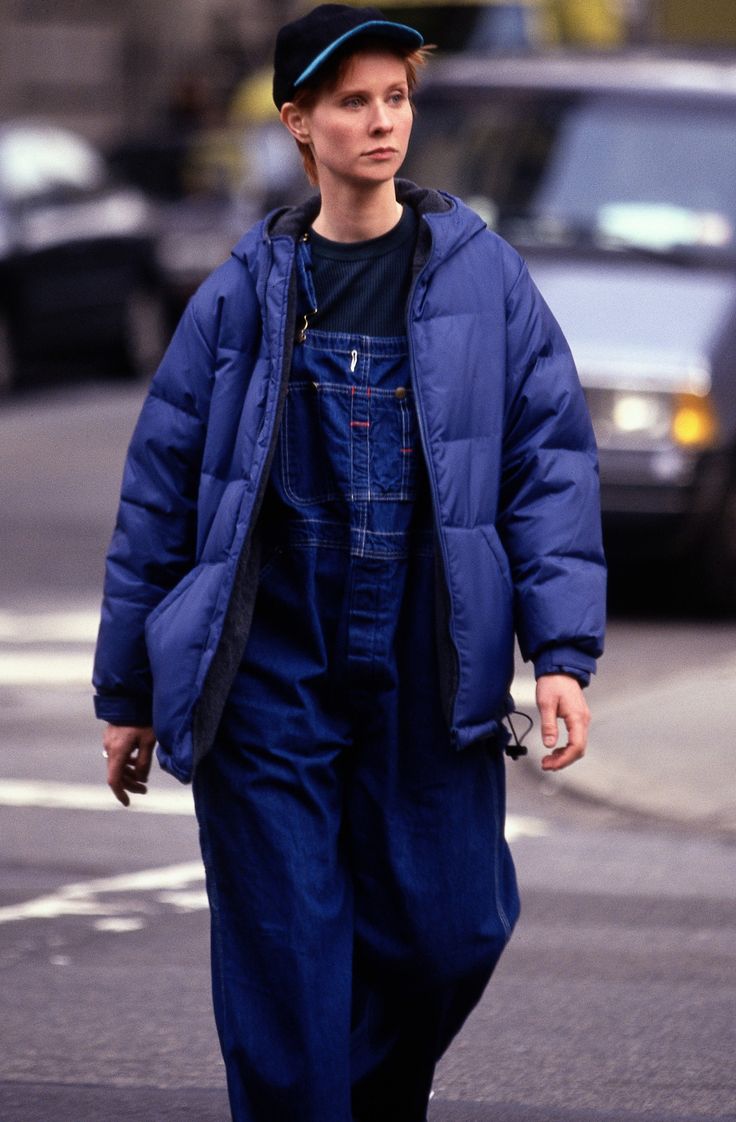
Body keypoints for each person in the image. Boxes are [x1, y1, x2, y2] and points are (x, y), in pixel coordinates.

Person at [93, 6, 606, 1121]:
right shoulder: (241, 291)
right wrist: (127, 691)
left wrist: (561, 652)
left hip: (428, 656)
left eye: (395, 98)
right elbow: (161, 494)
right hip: (269, 661)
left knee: (452, 928)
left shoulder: (484, 278)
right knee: (286, 959)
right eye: (351, 102)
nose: (381, 122)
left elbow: (548, 466)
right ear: (299, 123)